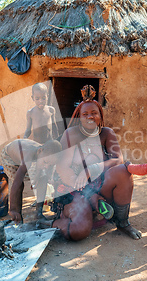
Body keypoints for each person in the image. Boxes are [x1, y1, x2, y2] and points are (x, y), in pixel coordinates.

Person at [48, 85, 142, 241]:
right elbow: (63, 167)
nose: (89, 117)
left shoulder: (106, 133)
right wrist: (87, 191)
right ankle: (59, 219)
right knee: (79, 232)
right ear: (79, 117)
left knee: (123, 171)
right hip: (75, 188)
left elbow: (118, 160)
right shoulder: (70, 134)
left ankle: (122, 222)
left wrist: (93, 168)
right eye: (85, 114)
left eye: (94, 113)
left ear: (100, 115)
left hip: (99, 184)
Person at [0, 138, 62, 223]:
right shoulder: (28, 157)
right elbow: (16, 183)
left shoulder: (45, 155)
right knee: (20, 184)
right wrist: (13, 210)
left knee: (42, 178)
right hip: (9, 157)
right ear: (40, 151)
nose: (47, 166)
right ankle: (16, 213)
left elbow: (45, 171)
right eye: (45, 162)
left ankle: (39, 214)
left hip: (27, 157)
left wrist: (37, 177)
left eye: (50, 164)